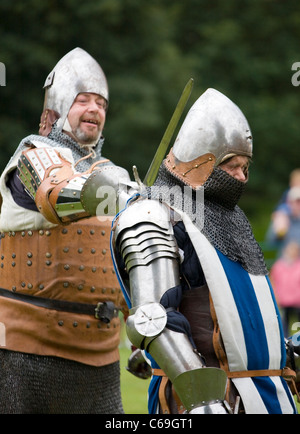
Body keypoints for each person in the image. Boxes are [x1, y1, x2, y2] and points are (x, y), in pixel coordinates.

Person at [112, 88, 300, 414]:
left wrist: (284, 353)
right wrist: (202, 397)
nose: (242, 177)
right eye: (232, 166)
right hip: (205, 401)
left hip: (266, 397)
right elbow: (152, 321)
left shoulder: (232, 222)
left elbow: (241, 320)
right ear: (201, 162)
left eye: (246, 167)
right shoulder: (156, 216)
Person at [0, 48, 134, 413]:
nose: (95, 109)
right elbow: (57, 196)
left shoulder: (115, 174)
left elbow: (127, 254)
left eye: (102, 103)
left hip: (99, 357)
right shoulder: (33, 156)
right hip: (25, 353)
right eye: (84, 100)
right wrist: (133, 198)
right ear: (57, 107)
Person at [270, 242, 300, 336]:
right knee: (284, 325)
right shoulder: (278, 266)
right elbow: (273, 282)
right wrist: (276, 297)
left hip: (297, 301)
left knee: (297, 324)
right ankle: (287, 345)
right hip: (284, 301)